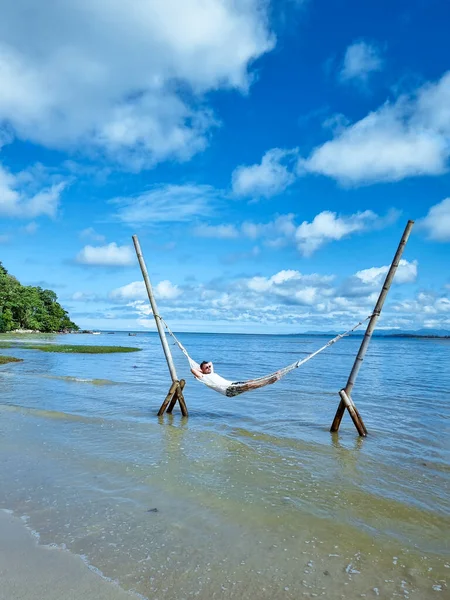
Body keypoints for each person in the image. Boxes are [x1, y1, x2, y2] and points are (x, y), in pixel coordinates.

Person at [191, 360, 281, 397]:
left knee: (250, 381)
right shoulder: (204, 377)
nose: (209, 368)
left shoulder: (211, 372)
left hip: (232, 384)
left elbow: (211, 362)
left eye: (209, 367)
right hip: (227, 390)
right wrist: (201, 372)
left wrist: (205, 367)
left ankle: (270, 377)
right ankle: (270, 381)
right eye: (206, 367)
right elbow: (193, 369)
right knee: (249, 385)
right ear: (202, 370)